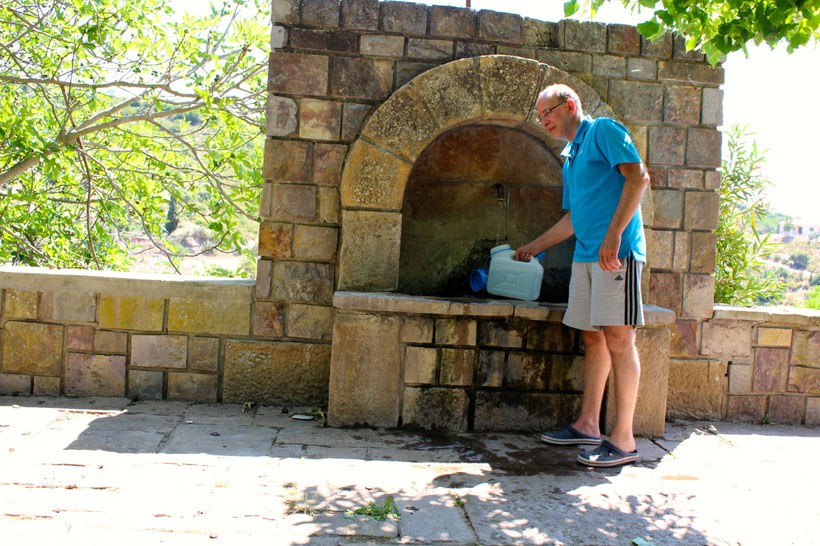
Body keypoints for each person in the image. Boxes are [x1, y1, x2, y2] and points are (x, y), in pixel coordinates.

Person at [515, 84, 650, 468]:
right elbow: (575, 217)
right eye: (540, 117)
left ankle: (623, 440)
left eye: (548, 113)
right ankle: (588, 424)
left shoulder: (604, 130)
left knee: (620, 340)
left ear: (570, 105)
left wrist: (614, 236)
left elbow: (638, 177)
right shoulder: (570, 156)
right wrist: (535, 246)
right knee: (593, 338)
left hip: (617, 255)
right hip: (587, 256)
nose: (544, 122)